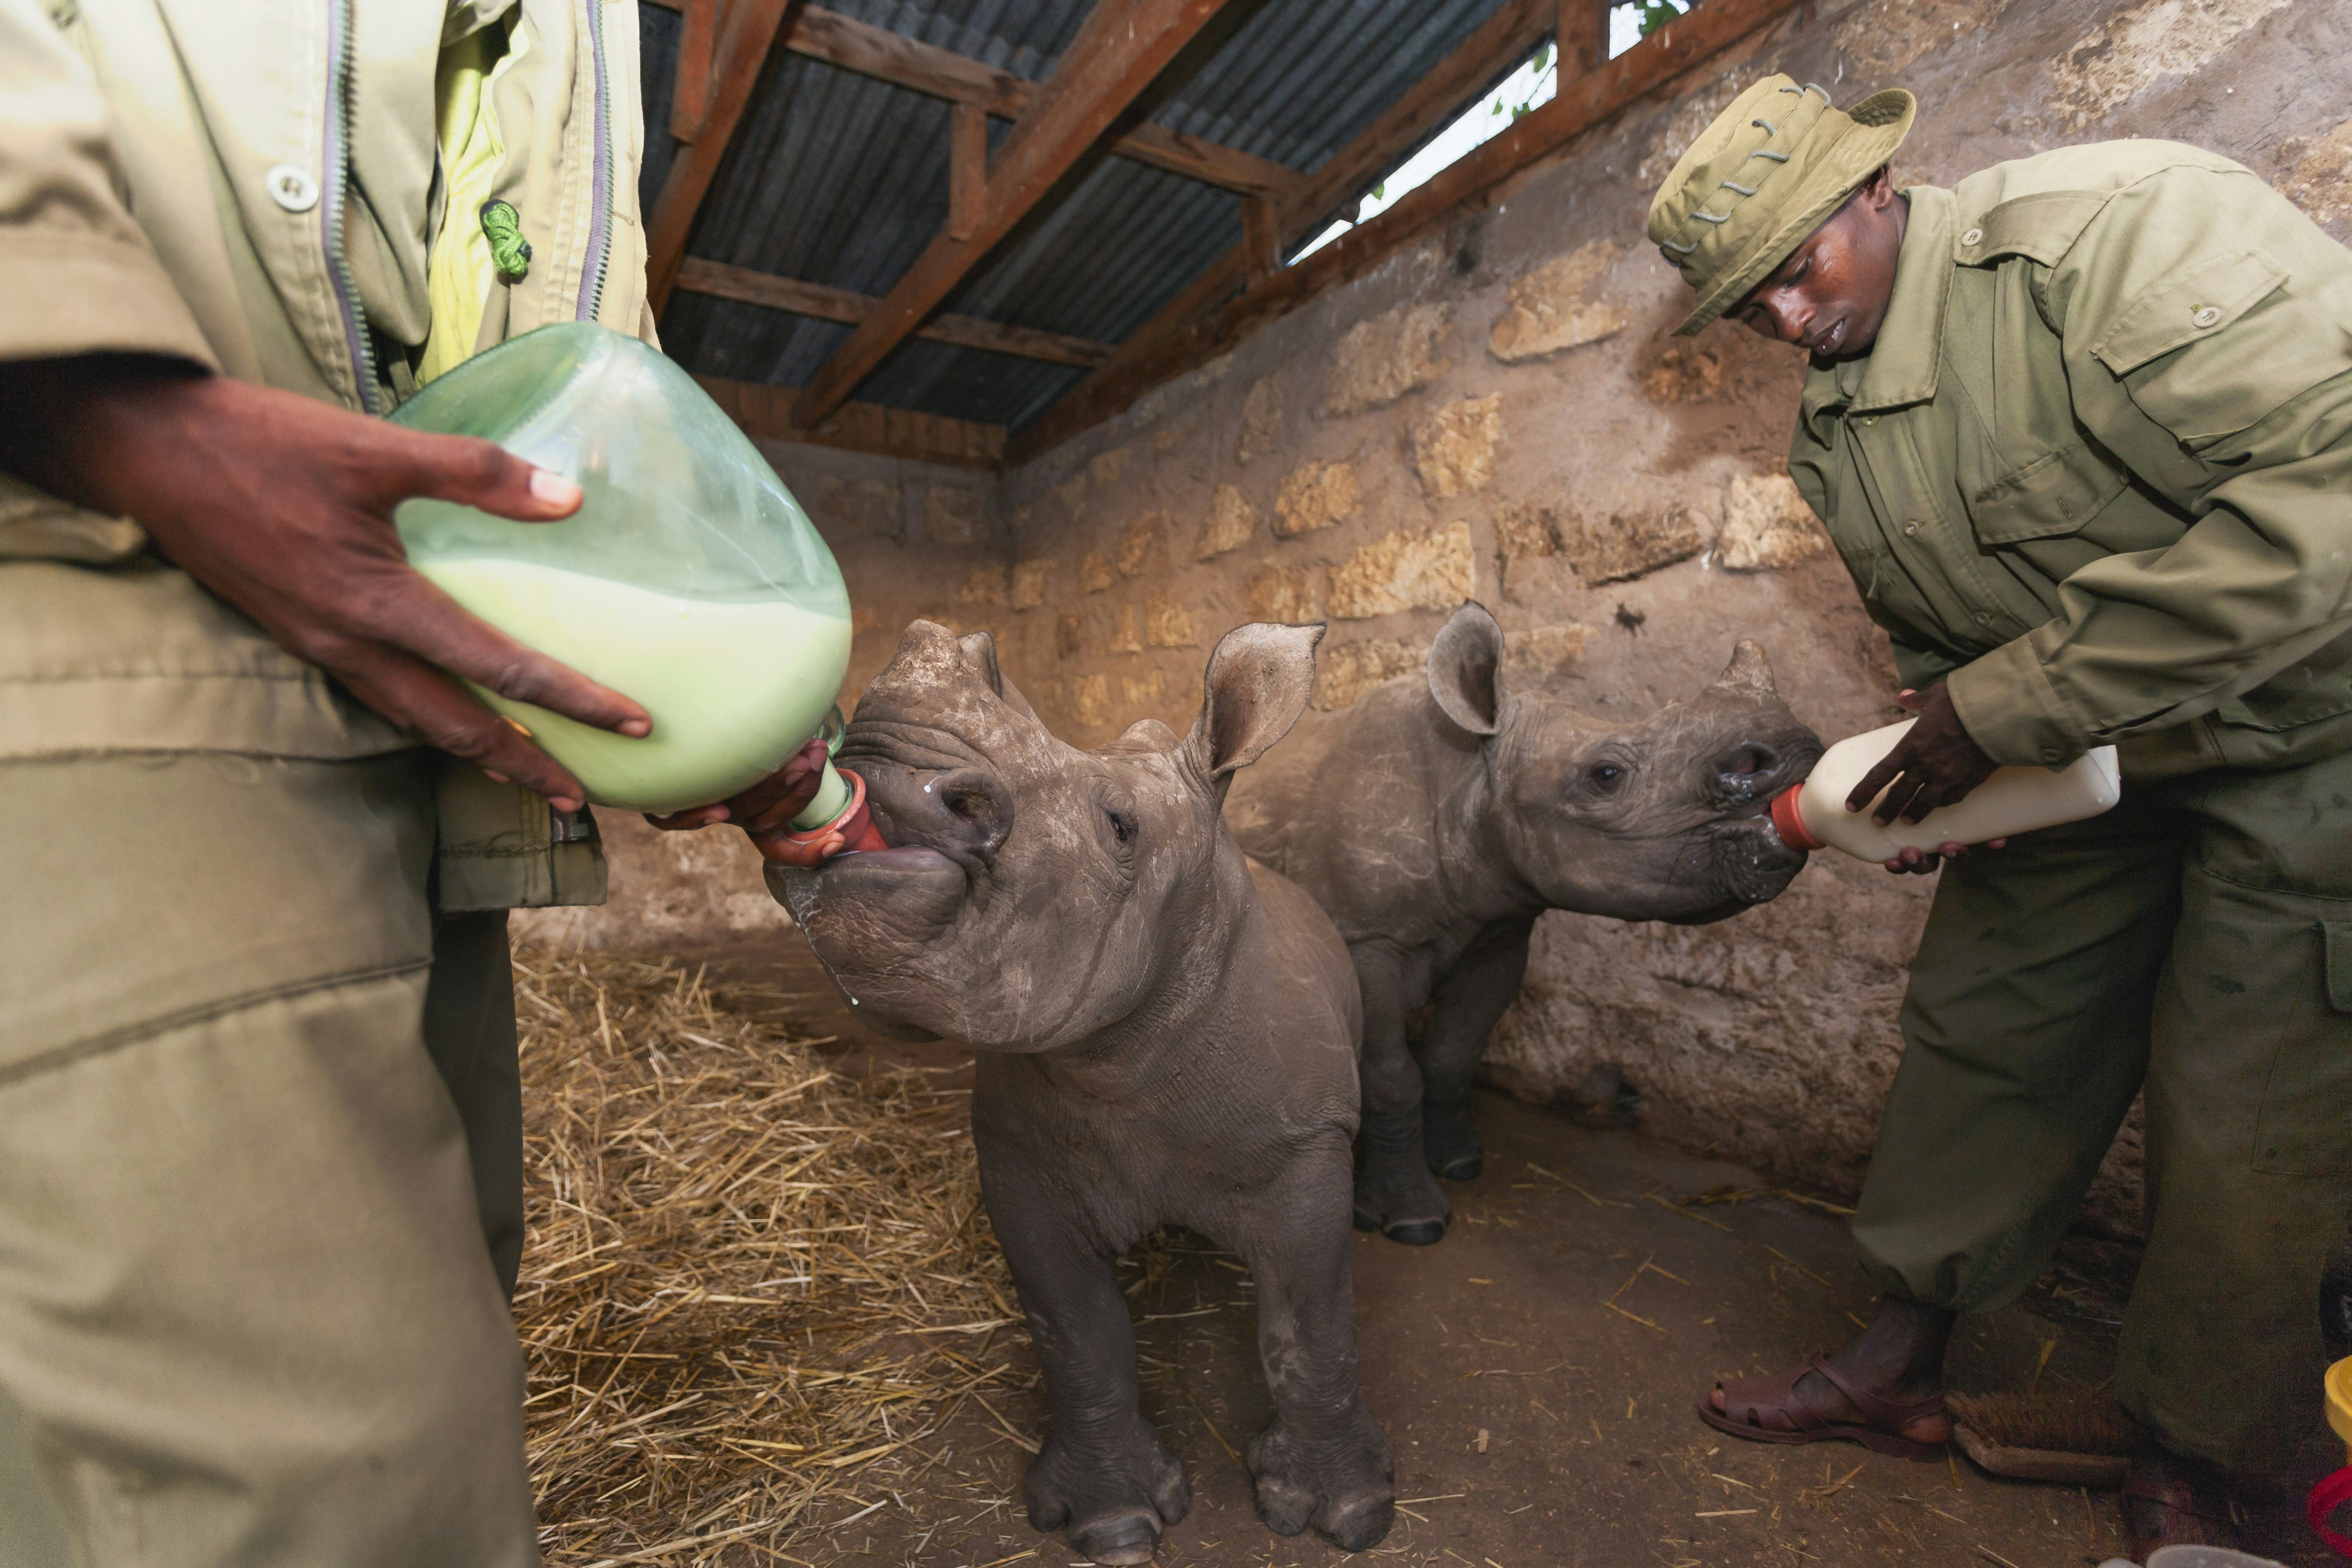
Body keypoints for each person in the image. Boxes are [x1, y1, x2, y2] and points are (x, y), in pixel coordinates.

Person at [0, 3, 827, 1562]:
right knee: (317, 1474)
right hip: (101, 621)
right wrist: (94, 387)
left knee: (450, 1307)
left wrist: (658, 675)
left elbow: (556, 341)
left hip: (403, 743)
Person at [1648, 77, 2352, 1555]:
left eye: (1795, 268)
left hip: (2309, 734)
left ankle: (2215, 1455)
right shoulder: (1837, 435)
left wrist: (1993, 718)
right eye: (1743, 304)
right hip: (2086, 757)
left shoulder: (2119, 237)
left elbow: (2326, 502)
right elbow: (1946, 659)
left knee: (2252, 1106)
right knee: (1986, 1035)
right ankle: (1900, 1363)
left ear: (1876, 188)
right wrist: (1945, 785)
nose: (1780, 321)